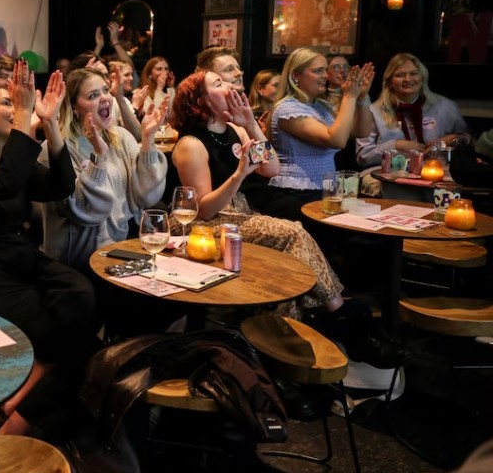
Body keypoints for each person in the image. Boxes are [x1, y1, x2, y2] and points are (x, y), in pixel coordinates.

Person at [169, 70, 403, 365]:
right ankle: (338, 315)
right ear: (199, 101)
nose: (229, 85)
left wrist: (251, 124)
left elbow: (271, 169)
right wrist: (240, 173)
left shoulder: (236, 130)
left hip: (238, 213)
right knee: (292, 232)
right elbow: (203, 210)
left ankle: (290, 348)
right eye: (218, 84)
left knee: (289, 255)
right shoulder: (191, 144)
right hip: (206, 226)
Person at [0, 61, 97, 436]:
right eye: (6, 105)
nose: (15, 109)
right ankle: (11, 425)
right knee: (84, 351)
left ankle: (22, 393)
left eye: (16, 104)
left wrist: (52, 125)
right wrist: (27, 117)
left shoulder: (12, 159)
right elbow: (2, 185)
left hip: (25, 261)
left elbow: (61, 186)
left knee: (82, 296)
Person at [40, 67, 168, 275]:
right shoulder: (55, 149)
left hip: (122, 251)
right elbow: (85, 211)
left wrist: (147, 140)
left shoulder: (122, 137)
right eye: (93, 95)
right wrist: (98, 157)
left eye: (105, 91)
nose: (104, 99)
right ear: (75, 107)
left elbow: (146, 196)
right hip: (78, 264)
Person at [267, 48, 374, 197]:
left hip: (325, 188)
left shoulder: (322, 106)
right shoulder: (287, 109)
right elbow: (336, 140)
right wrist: (349, 96)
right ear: (296, 75)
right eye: (318, 71)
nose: (326, 76)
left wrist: (362, 96)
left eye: (325, 70)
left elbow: (361, 131)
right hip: (296, 191)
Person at [356, 53, 469, 170]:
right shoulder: (373, 111)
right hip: (385, 173)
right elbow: (363, 156)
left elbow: (469, 140)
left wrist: (453, 140)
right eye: (400, 75)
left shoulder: (444, 106)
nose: (407, 79)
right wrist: (396, 146)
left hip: (435, 171)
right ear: (389, 81)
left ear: (422, 78)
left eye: (413, 74)